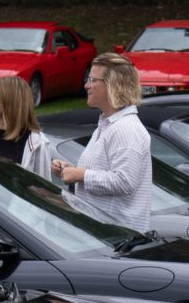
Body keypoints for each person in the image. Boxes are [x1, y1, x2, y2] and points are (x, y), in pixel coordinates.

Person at [50, 53, 152, 231]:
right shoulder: (108, 124)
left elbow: (124, 181)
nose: (86, 85)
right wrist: (72, 170)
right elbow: (106, 172)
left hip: (117, 235)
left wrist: (81, 175)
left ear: (113, 85)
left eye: (92, 80)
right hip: (104, 233)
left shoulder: (125, 129)